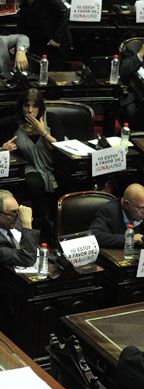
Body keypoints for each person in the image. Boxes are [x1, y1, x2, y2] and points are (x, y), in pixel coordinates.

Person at [10, 89, 63, 231]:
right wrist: (4, 148)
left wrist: (42, 132)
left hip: (54, 164)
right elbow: (6, 146)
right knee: (33, 183)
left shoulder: (51, 119)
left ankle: (58, 223)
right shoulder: (14, 123)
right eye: (26, 106)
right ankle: (44, 222)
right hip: (30, 165)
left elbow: (59, 147)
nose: (30, 110)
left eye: (34, 106)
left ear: (40, 108)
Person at [89, 183, 144, 249]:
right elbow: (94, 236)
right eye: (140, 208)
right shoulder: (109, 211)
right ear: (126, 204)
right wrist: (129, 239)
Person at [18, 0, 71, 70]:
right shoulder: (25, 3)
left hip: (55, 42)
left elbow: (65, 13)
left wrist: (56, 38)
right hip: (39, 43)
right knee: (37, 72)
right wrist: (17, 41)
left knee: (53, 72)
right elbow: (22, 23)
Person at [0, 190, 39, 267]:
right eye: (13, 212)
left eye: (18, 211)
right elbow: (27, 259)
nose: (18, 216)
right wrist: (27, 225)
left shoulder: (13, 222)